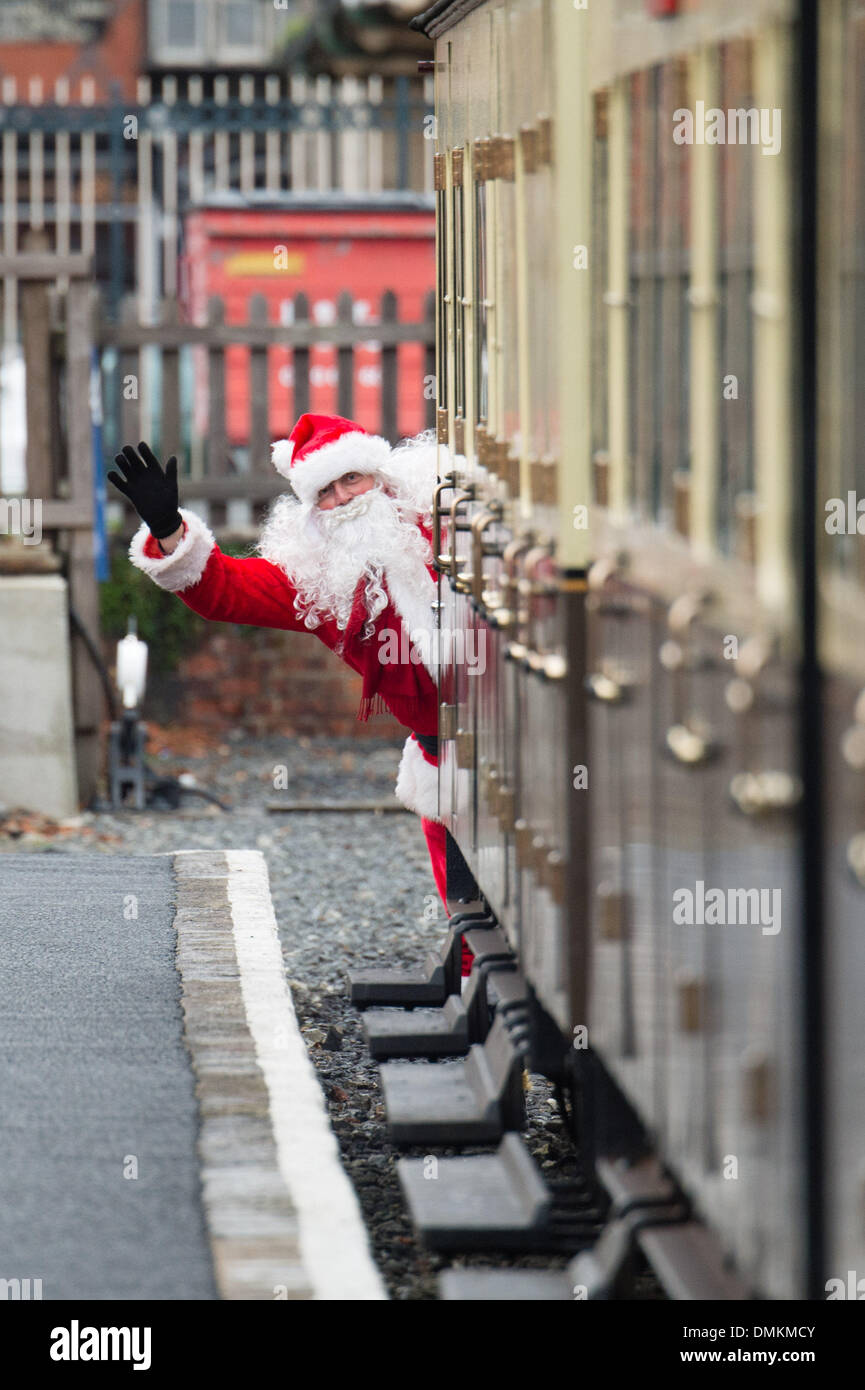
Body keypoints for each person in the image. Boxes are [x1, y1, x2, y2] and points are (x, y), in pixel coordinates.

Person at [108, 412, 473, 973]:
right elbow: (223, 590)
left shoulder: (444, 517)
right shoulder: (319, 579)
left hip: (507, 727)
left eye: (351, 479)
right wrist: (168, 531)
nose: (342, 498)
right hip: (437, 752)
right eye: (324, 492)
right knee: (465, 900)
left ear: (377, 473)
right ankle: (481, 997)